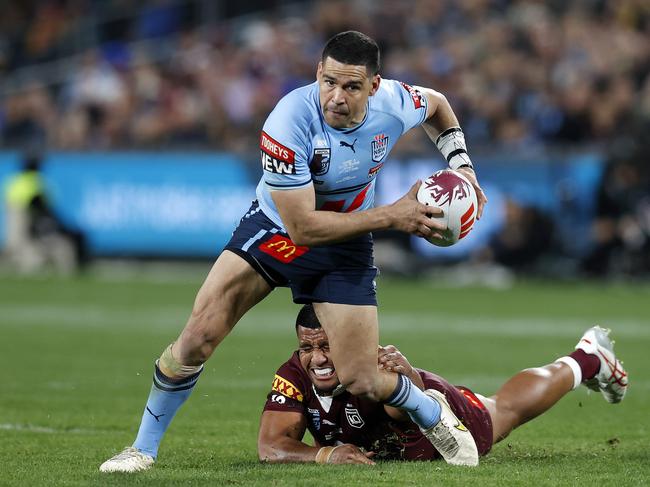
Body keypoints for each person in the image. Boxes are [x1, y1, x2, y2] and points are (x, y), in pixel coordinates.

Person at [100, 30, 488, 472]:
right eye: (329, 82)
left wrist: (463, 167)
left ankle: (433, 412)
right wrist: (390, 217)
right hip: (277, 231)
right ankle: (142, 449)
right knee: (196, 338)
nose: (337, 97)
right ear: (317, 73)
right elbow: (303, 228)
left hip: (345, 244)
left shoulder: (396, 103)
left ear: (374, 87)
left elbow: (436, 103)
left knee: (361, 377)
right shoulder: (287, 123)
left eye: (352, 86)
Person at [258, 305, 628, 465]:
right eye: (307, 347)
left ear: (349, 344)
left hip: (435, 427)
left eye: (327, 347)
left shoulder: (372, 369)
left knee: (504, 410)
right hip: (397, 435)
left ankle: (587, 358)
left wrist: (408, 382)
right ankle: (587, 358)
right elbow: (271, 447)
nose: (317, 359)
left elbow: (399, 405)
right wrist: (325, 454)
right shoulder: (294, 374)